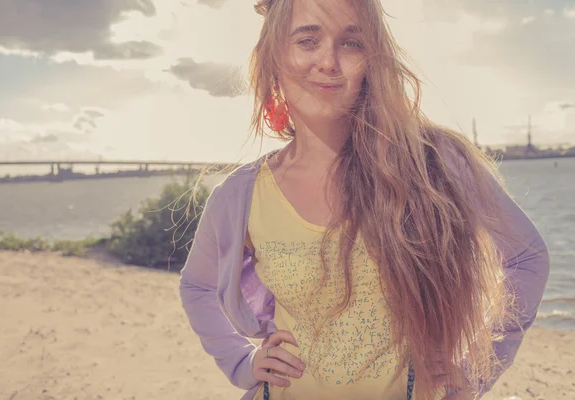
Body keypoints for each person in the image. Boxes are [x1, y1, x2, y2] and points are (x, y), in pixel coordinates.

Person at [179, 0, 550, 399]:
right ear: (273, 57)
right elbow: (197, 286)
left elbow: (526, 258)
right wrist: (241, 362)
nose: (329, 62)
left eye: (352, 43)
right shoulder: (242, 194)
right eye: (307, 40)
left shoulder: (431, 164)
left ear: (372, 60)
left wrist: (477, 363)